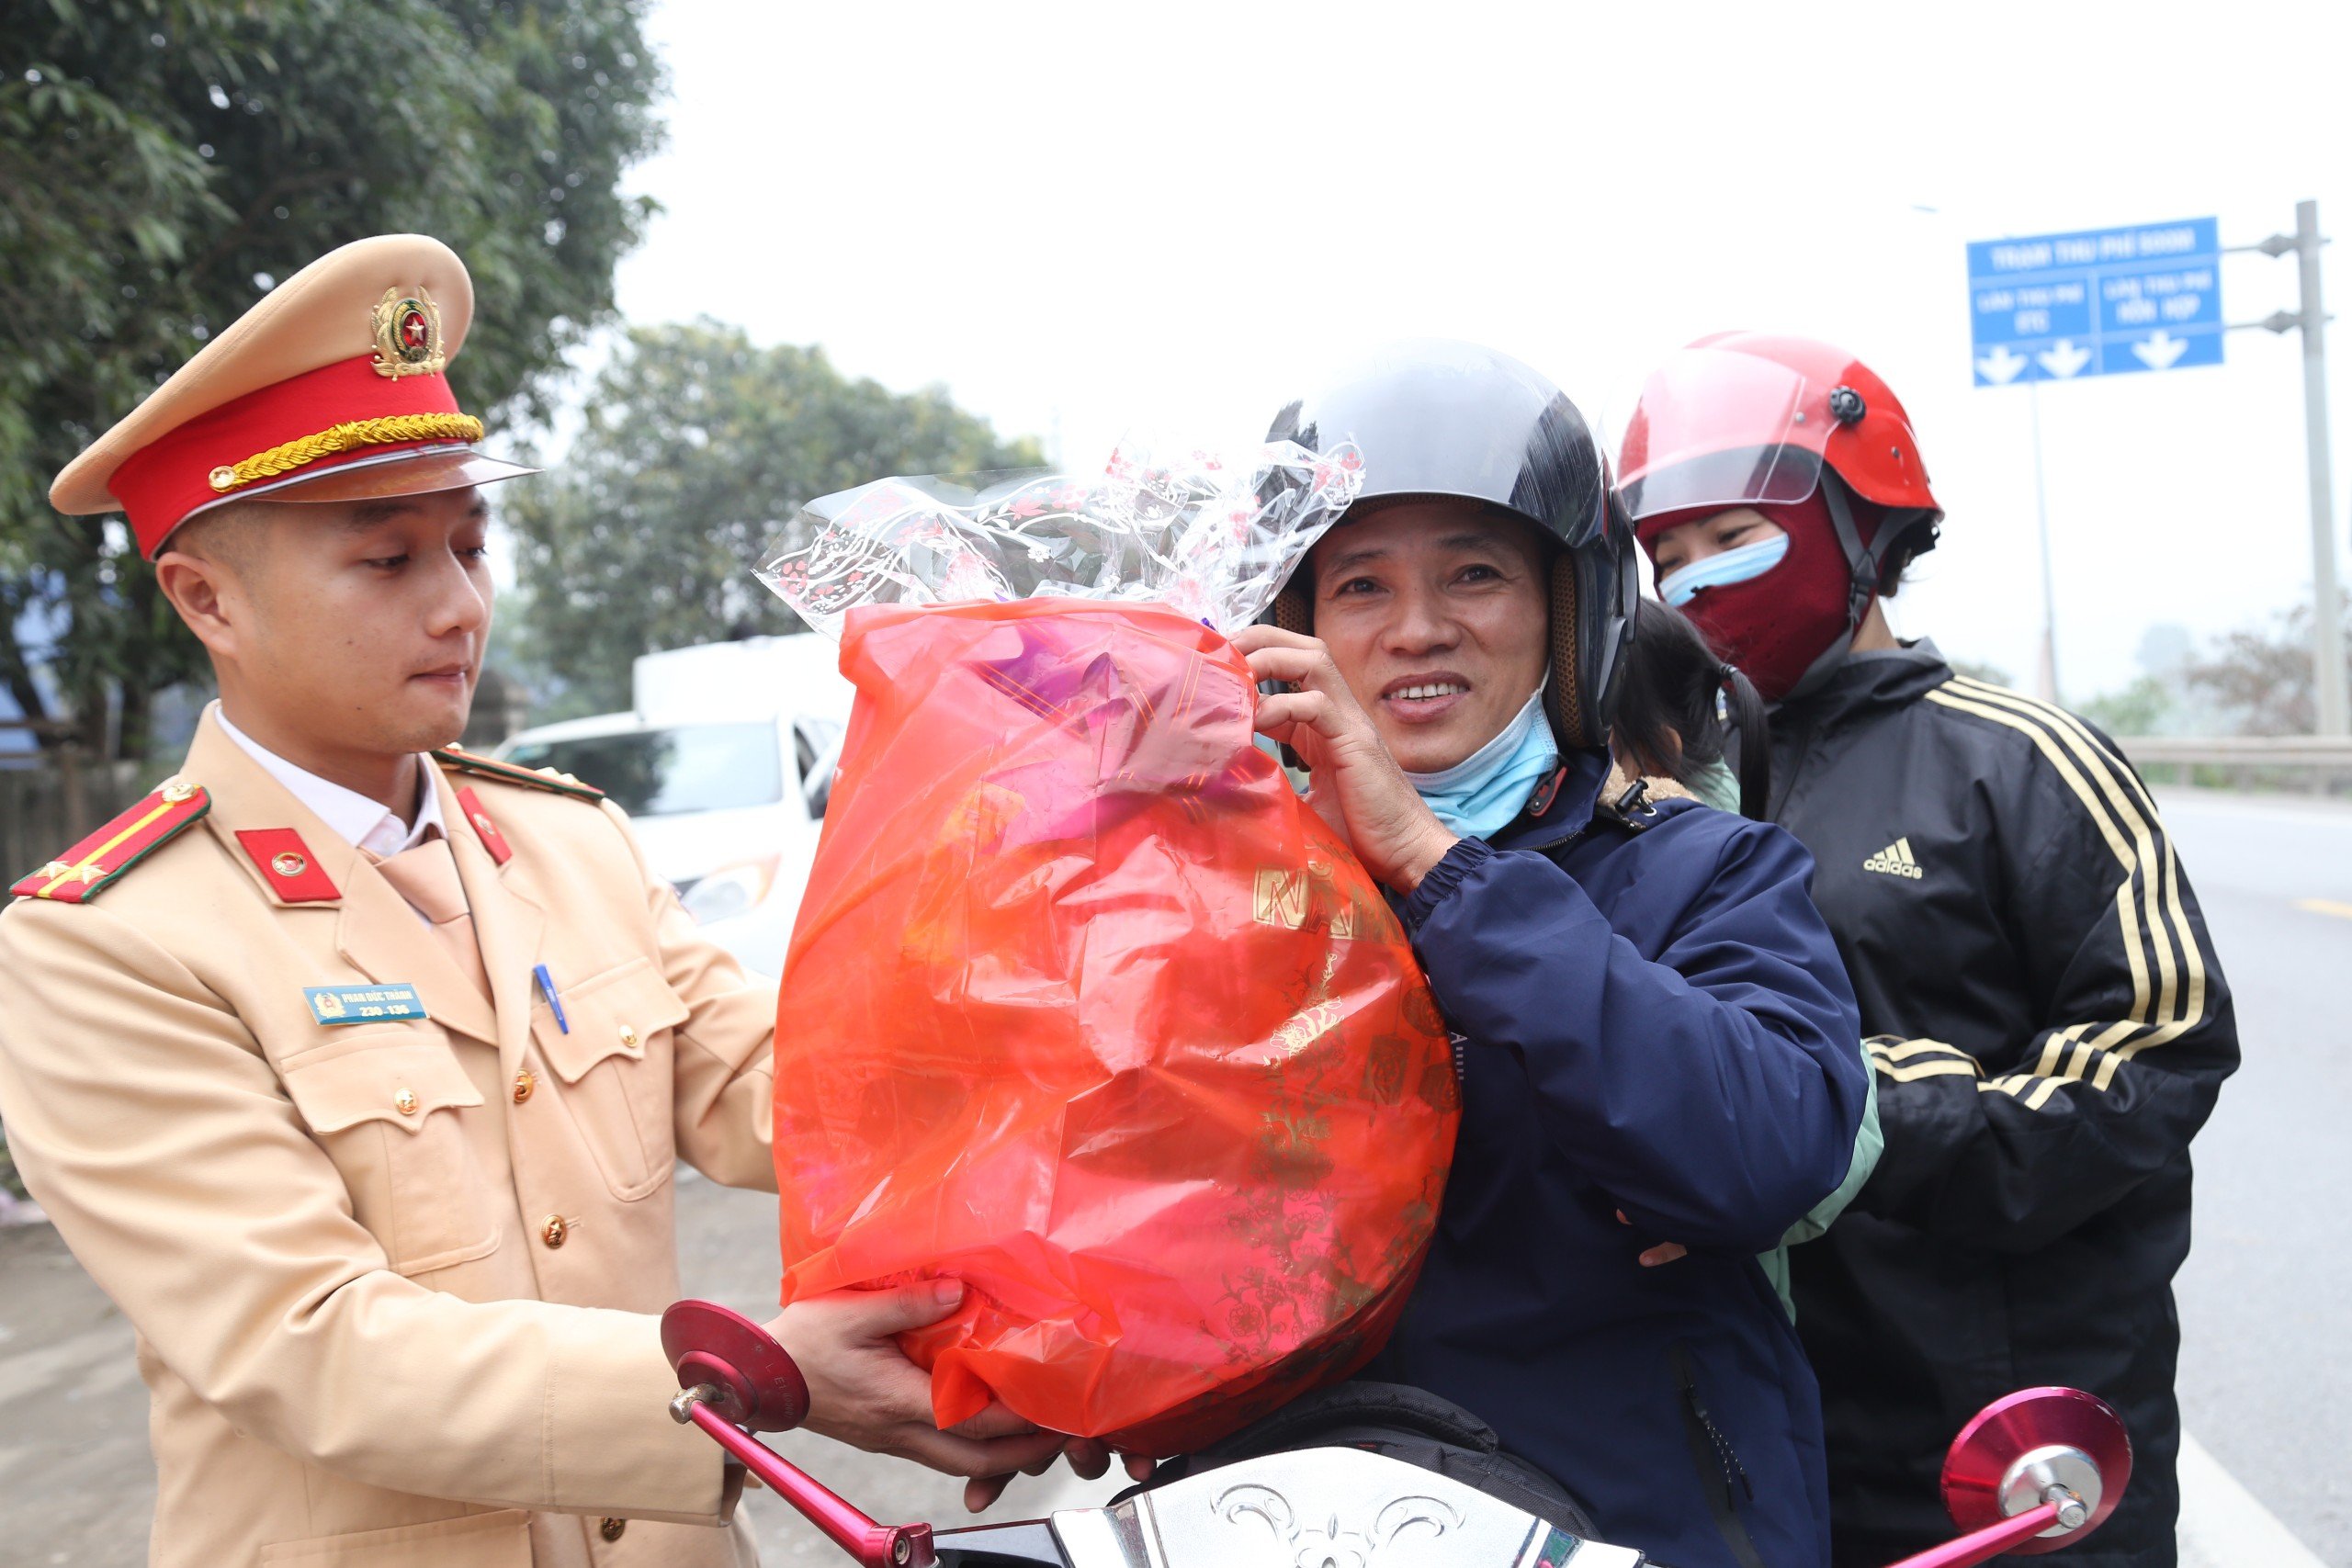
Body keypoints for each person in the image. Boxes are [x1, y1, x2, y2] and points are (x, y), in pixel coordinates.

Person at [0, 235, 1081, 1568]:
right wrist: (760, 1379)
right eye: (388, 561)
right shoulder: (105, 945)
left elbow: (789, 1096)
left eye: (469, 543)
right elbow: (313, 1345)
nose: (459, 606)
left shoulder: (567, 843)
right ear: (204, 596)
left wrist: (1043, 1011)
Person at [1229, 340, 1871, 1568]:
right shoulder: (1223, 898)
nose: (1419, 629)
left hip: (1632, 1521)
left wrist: (1436, 866)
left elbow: (1770, 1150)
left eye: (1475, 575)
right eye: (1361, 586)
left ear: (1566, 611)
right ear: (1296, 625)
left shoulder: (1703, 871)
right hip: (1283, 1517)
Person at [1619, 331, 2239, 1568]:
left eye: (1732, 537)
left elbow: (2155, 1065)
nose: (1696, 584)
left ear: (1859, 527)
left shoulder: (2014, 761)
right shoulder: (1684, 791)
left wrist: (1840, 1116)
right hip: (1773, 1428)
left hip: (2007, 1438)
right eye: (1667, 558)